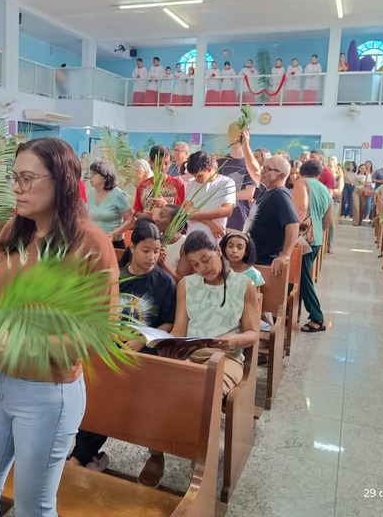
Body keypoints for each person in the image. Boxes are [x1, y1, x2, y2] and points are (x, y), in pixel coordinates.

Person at [0, 138, 117, 517]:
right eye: (14, 178)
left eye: (28, 179)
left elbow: (99, 333)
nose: (17, 188)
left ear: (62, 181)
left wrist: (26, 343)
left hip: (45, 393)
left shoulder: (90, 243)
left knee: (33, 507)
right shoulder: (13, 231)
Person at [136, 230, 260, 486]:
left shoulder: (243, 285)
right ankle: (156, 455)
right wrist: (166, 344)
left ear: (218, 251)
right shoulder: (186, 285)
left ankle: (200, 458)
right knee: (158, 388)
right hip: (190, 352)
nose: (202, 269)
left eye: (206, 260)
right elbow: (179, 330)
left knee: (204, 395)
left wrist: (233, 340)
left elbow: (253, 333)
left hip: (226, 357)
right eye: (194, 264)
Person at [67, 218, 176, 473]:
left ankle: (80, 457)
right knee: (98, 389)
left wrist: (143, 338)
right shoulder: (116, 276)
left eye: (156, 251)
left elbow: (169, 323)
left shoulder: (164, 282)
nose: (151, 257)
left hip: (143, 351)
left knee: (115, 390)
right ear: (132, 247)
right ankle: (83, 455)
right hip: (109, 346)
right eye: (146, 250)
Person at [239, 131, 299, 274]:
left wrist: (286, 255)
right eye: (264, 167)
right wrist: (245, 145)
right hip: (253, 259)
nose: (263, 171)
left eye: (268, 169)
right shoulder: (266, 190)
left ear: (281, 175)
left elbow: (293, 224)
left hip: (265, 263)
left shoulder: (280, 195)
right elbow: (253, 169)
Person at [292, 160, 334, 332]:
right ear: (318, 174)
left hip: (303, 239)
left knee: (303, 279)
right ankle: (291, 311)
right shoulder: (324, 189)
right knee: (299, 276)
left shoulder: (300, 183)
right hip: (316, 238)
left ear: (301, 171)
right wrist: (317, 230)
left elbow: (299, 211)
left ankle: (317, 317)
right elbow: (329, 220)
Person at [183, 150, 236, 241]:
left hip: (214, 239)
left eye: (199, 176)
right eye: (194, 176)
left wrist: (196, 215)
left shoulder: (227, 182)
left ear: (209, 169)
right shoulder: (192, 183)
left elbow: (227, 210)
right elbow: (188, 211)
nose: (196, 179)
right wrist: (210, 223)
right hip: (191, 237)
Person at [86, 160, 134, 249]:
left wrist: (113, 234)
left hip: (114, 243)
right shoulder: (90, 195)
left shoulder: (117, 194)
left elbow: (130, 220)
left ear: (105, 177)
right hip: (94, 242)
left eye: (94, 174)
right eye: (90, 173)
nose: (90, 176)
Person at [217, 128, 257, 232]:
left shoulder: (250, 164)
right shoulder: (220, 162)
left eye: (238, 135)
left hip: (240, 218)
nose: (235, 138)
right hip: (220, 217)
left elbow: (249, 193)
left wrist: (222, 195)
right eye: (231, 133)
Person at [133, 145, 186, 220]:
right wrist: (144, 216)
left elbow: (181, 213)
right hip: (148, 226)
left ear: (171, 163)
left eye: (166, 163)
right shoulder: (142, 186)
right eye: (159, 163)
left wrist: (165, 205)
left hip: (168, 227)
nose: (163, 167)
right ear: (151, 163)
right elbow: (136, 212)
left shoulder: (178, 185)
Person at [155, 204, 186, 282]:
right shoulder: (154, 239)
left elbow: (181, 281)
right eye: (158, 215)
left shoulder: (184, 244)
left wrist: (163, 263)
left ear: (175, 222)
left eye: (162, 216)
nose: (156, 219)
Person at [326, 156, 344, 252]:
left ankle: (330, 244)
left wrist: (328, 192)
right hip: (324, 200)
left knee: (331, 222)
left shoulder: (339, 177)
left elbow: (338, 191)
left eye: (331, 166)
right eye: (328, 165)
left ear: (335, 167)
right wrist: (330, 192)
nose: (329, 167)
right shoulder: (324, 176)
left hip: (334, 201)